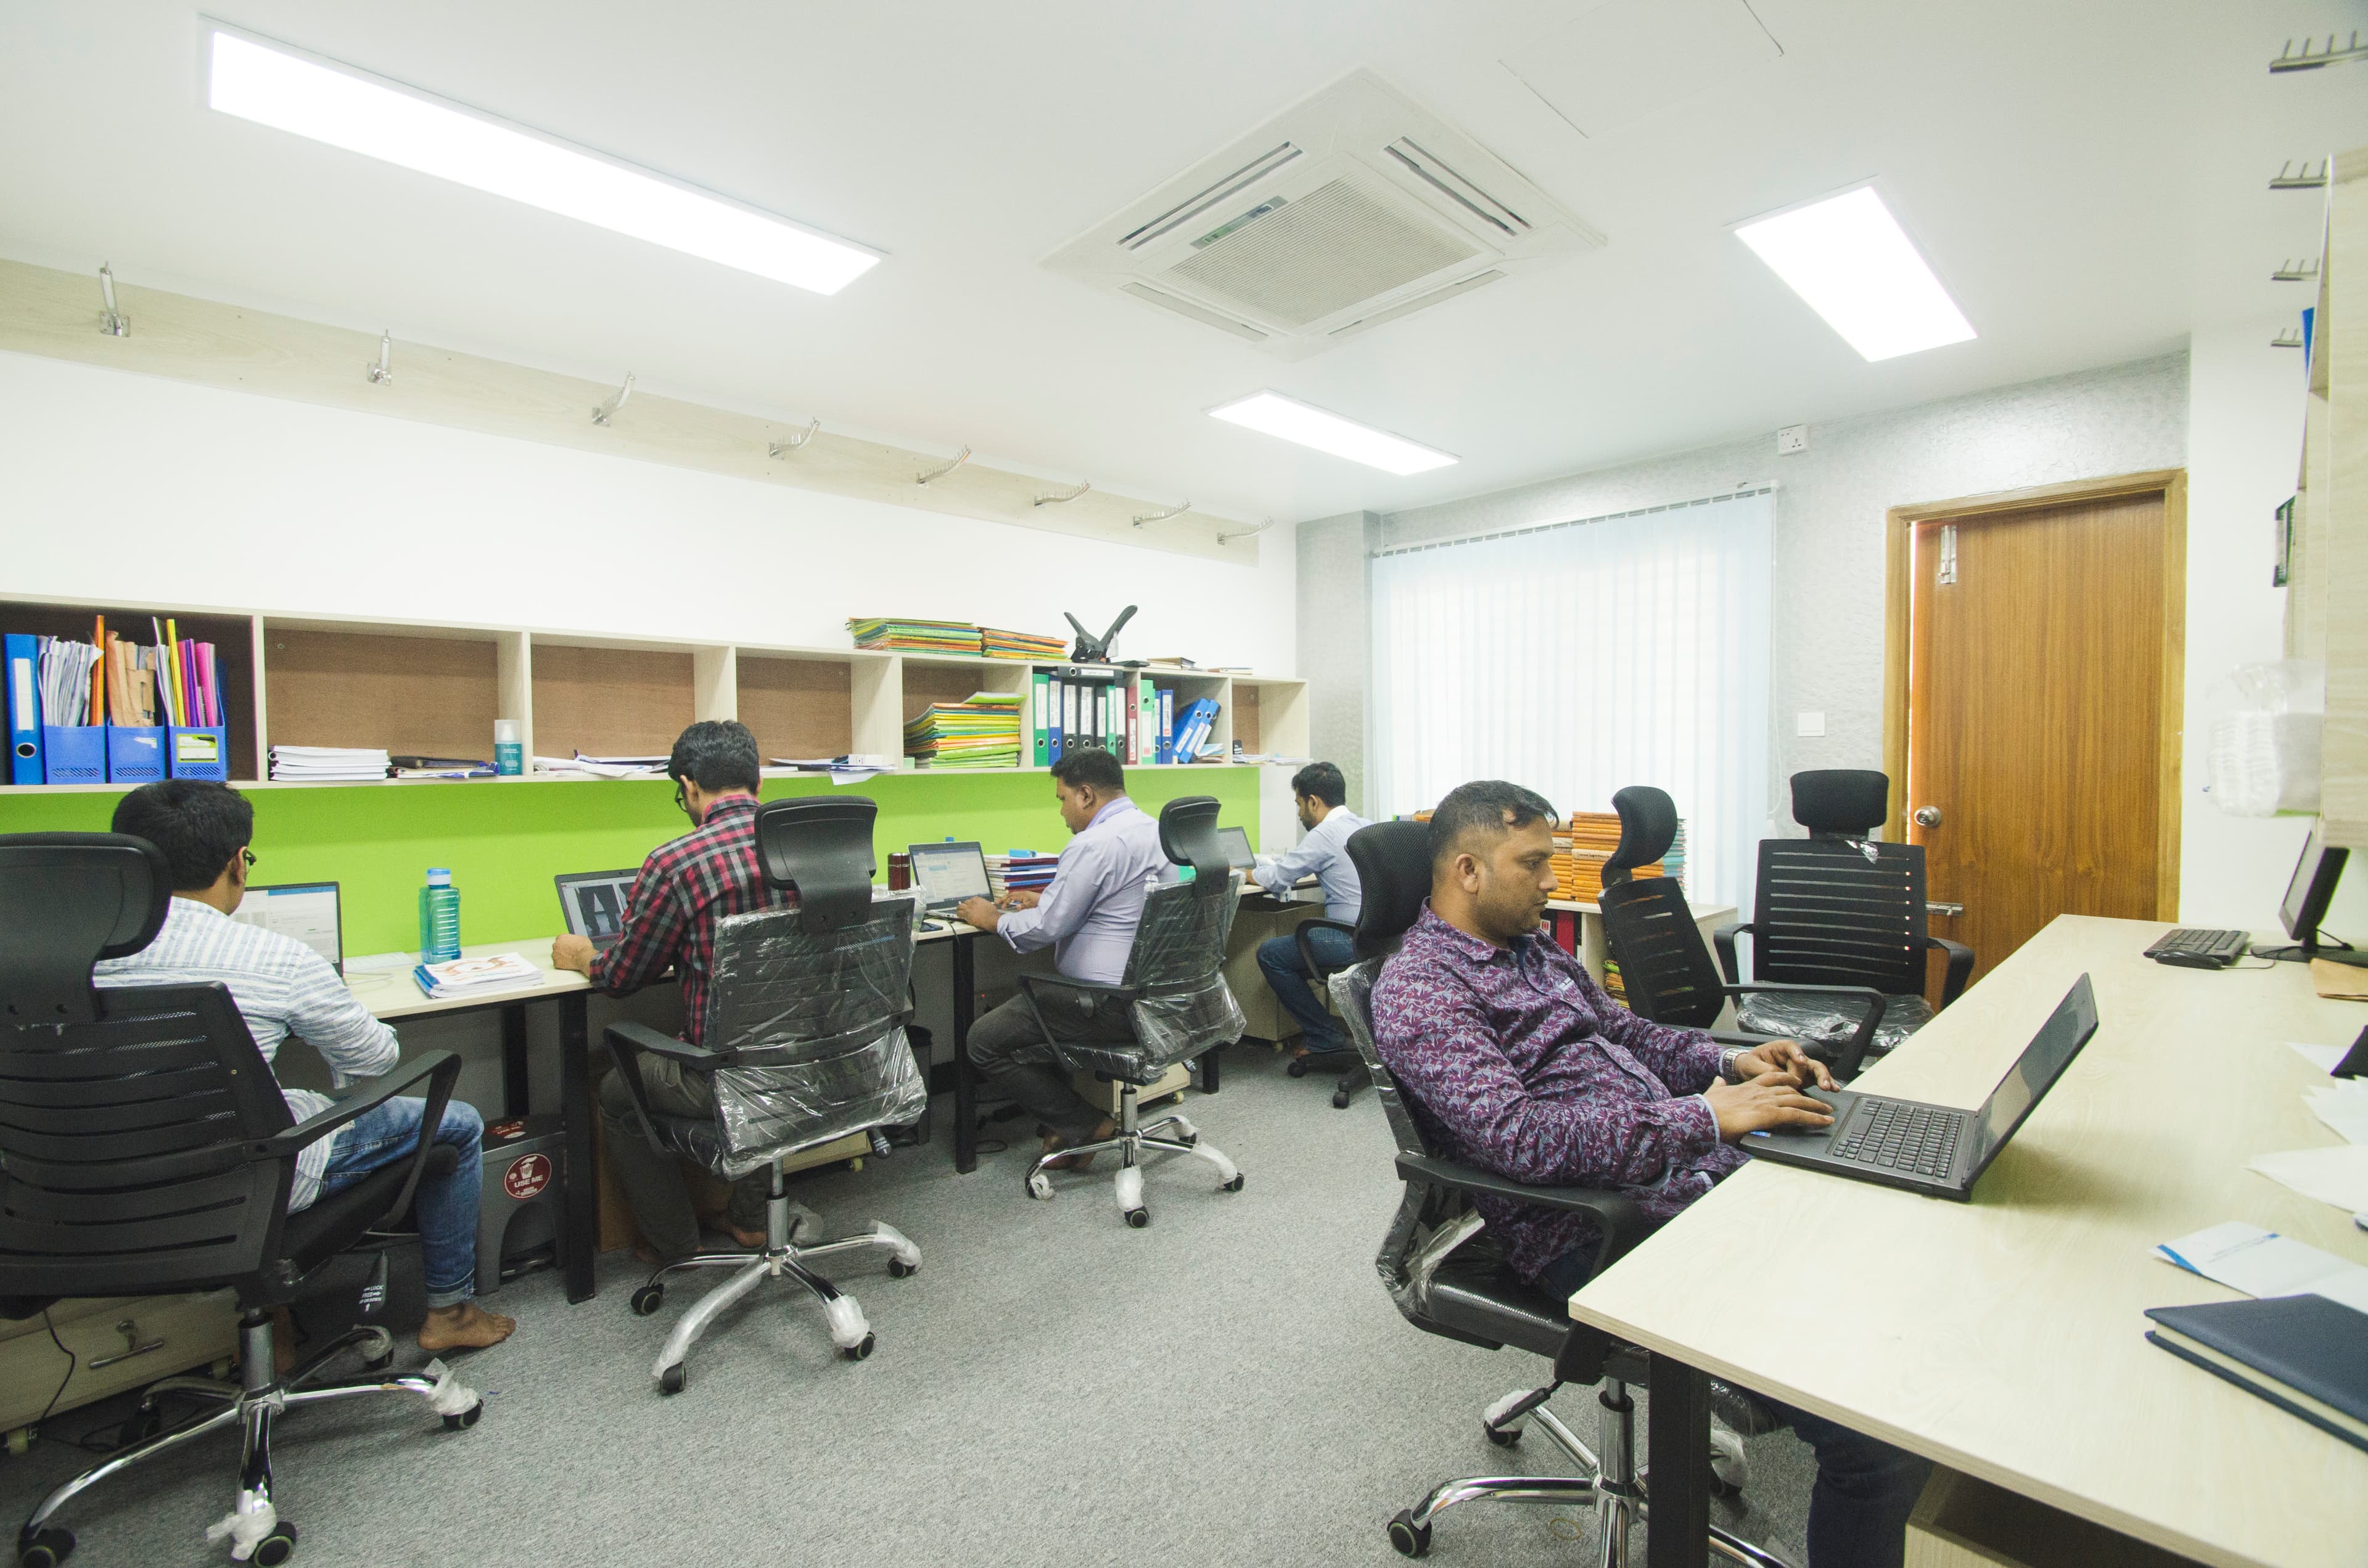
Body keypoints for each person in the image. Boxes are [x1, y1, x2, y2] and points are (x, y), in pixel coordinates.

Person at [1370, 780, 1931, 1568]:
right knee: (1878, 1442)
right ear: (1468, 869)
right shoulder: (1423, 989)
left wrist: (1730, 1062)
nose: (1551, 881)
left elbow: (1627, 1033)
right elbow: (1519, 1138)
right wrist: (1704, 1117)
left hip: (1689, 1177)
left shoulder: (1532, 949)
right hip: (1595, 1229)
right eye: (1532, 863)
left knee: (1895, 1255)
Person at [94, 781, 515, 1354]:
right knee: (459, 1122)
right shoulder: (272, 957)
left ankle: (274, 1323)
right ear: (237, 863)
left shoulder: (65, 953)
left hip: (101, 1183)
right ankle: (451, 1312)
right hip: (246, 1177)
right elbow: (374, 1058)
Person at [553, 720, 816, 1262]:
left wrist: (582, 957)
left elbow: (622, 977)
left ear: (690, 786)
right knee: (763, 1045)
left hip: (723, 1075)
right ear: (758, 780)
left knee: (617, 1090)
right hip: (811, 1059)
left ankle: (673, 1240)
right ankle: (751, 1218)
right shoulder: (809, 847)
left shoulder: (676, 864)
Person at [953, 746, 1176, 1168]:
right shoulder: (1155, 831)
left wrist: (990, 918)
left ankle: (1086, 1124)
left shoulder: (1093, 843)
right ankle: (1066, 1124)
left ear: (1086, 794)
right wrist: (1048, 899)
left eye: (1062, 799)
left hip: (1107, 1002)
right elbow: (1119, 903)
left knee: (983, 1040)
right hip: (1155, 996)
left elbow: (1043, 930)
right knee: (1034, 1010)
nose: (1061, 812)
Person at [1249, 761, 1367, 1060]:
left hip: (1348, 939)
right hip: (1382, 937)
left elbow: (1277, 879)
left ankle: (1324, 1035)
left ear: (1313, 802)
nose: (1300, 813)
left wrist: (1244, 873)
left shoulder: (1324, 835)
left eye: (1299, 804)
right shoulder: (1366, 826)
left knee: (1271, 954)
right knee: (1297, 947)